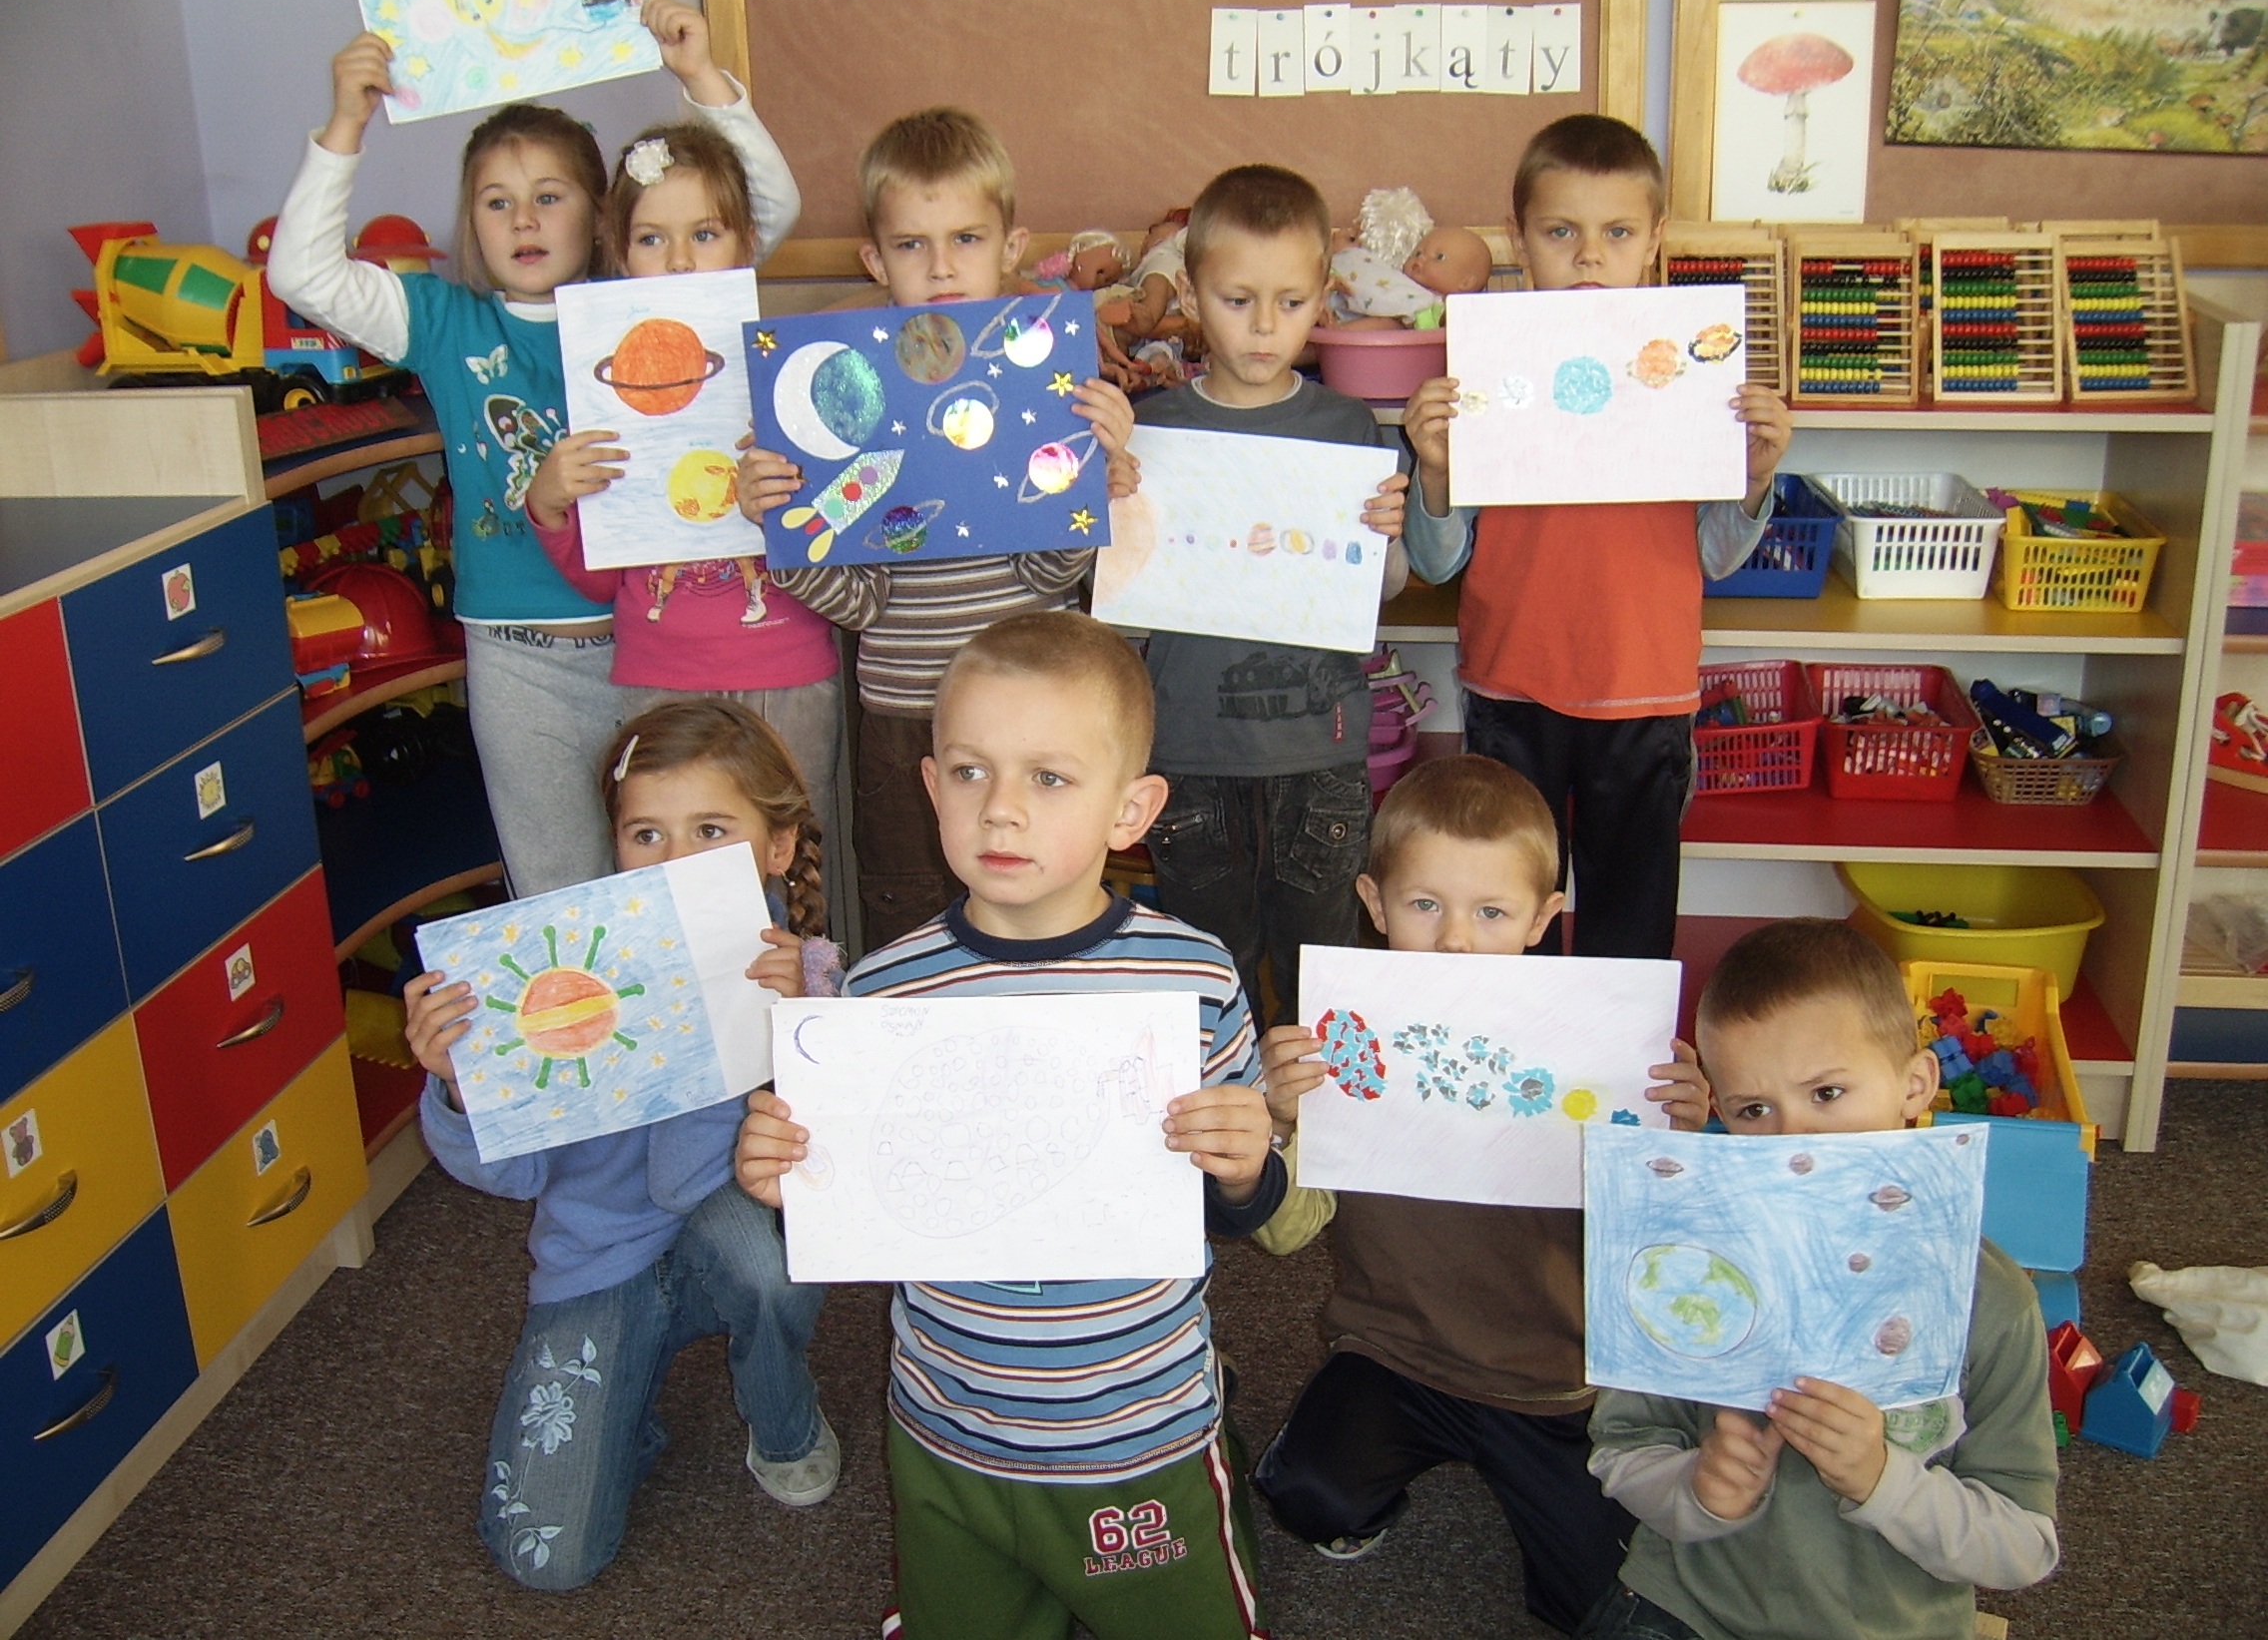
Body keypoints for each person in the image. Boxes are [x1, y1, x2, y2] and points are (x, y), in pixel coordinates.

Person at [734, 610, 1285, 1640]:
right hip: (948, 1430)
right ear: (931, 785)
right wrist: (784, 1186)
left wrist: (1249, 1167)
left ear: (1132, 810)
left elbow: (1236, 1207)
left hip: (1139, 1430)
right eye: (971, 772)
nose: (1002, 810)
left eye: (1051, 778)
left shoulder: (1195, 977)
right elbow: (853, 1215)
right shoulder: (880, 993)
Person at [269, 0, 798, 897]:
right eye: (497, 202)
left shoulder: (652, 294)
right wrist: (346, 125)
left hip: (652, 644)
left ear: (599, 216)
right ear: (471, 220)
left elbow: (764, 211)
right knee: (561, 889)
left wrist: (700, 76)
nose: (523, 220)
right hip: (519, 656)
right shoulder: (443, 319)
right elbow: (300, 273)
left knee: (691, 891)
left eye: (549, 198)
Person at [1248, 755, 1707, 1635]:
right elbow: (1284, 1236)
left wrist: (1678, 1145)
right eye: (1425, 904)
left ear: (1542, 918)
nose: (1455, 941)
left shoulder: (1599, 1050)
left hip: (1553, 1380)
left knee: (1594, 1603)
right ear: (1374, 904)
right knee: (1310, 1497)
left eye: (1491, 912)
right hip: (1395, 1352)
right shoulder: (1345, 1046)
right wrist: (1280, 1123)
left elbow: (1665, 1250)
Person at [403, 697, 841, 1590]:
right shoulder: (564, 970)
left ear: (777, 847)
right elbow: (514, 1173)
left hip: (733, 1229)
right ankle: (623, 1395)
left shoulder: (807, 975)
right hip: (598, 1257)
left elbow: (852, 1164)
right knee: (545, 1557)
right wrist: (460, 1084)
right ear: (615, 847)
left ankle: (782, 1414)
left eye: (710, 831)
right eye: (647, 835)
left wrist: (804, 1025)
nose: (675, 861)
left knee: (764, 1261)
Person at [1580, 917, 2060, 1640]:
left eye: (1828, 1093)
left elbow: (2022, 1546)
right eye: (1754, 1110)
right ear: (1721, 1114)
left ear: (1915, 1084)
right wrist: (1698, 1491)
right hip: (1691, 1605)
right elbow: (1623, 1447)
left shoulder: (1988, 1299)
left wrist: (1882, 1478)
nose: (1795, 1141)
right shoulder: (1685, 1261)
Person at [740, 108, 1138, 951]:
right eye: (912, 245)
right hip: (904, 715)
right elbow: (861, 601)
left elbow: (1050, 577)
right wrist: (784, 530)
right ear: (875, 261)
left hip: (1030, 715)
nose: (942, 265)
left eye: (965, 238)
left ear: (1011, 247)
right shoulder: (856, 397)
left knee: (1039, 895)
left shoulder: (1046, 384)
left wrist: (1086, 479)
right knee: (908, 913)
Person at [1399, 114, 1793, 960]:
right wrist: (1433, 469)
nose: (1588, 257)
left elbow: (1715, 557)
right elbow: (1438, 559)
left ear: (1655, 240)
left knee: (1631, 921)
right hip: (1514, 686)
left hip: (1645, 691)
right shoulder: (1490, 371)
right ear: (1517, 239)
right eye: (1560, 232)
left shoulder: (1686, 377)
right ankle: (1514, 1043)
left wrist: (1754, 477)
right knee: (1505, 910)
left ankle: (1619, 1048)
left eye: (1616, 233)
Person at [1134, 163, 1410, 1025]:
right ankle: (1226, 1111)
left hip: (1318, 754)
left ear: (1323, 298)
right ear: (1190, 294)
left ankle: (1312, 1114)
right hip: (1189, 753)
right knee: (1207, 981)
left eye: (1290, 302)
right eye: (1237, 299)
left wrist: (1386, 540)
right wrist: (1110, 515)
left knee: (1319, 986)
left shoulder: (1347, 427)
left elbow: (1383, 592)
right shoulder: (1153, 431)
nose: (1263, 327)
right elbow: (1117, 607)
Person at [526, 115, 844, 860]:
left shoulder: (795, 377)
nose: (677, 261)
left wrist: (784, 504)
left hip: (786, 671)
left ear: (746, 244)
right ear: (618, 252)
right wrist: (549, 505)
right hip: (658, 680)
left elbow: (841, 550)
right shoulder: (603, 390)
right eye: (651, 239)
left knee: (793, 871)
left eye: (704, 234)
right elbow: (598, 580)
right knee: (671, 878)